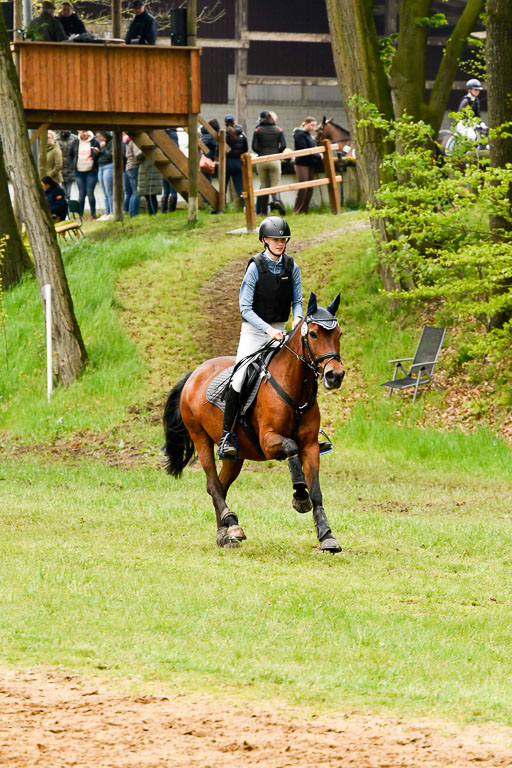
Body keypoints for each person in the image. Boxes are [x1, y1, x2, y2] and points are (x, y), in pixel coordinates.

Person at [218, 216, 303, 459]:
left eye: (283, 239)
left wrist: (297, 318)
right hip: (255, 333)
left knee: (301, 371)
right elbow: (245, 308)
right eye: (276, 239)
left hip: (281, 331)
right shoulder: (255, 267)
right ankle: (226, 436)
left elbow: (297, 300)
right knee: (239, 376)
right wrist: (268, 330)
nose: (280, 243)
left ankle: (311, 430)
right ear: (265, 240)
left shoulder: (291, 266)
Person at [252, 110, 286, 216]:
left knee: (264, 186)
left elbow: (254, 146)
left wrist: (261, 152)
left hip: (261, 160)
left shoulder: (258, 130)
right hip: (275, 160)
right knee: (275, 185)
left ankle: (263, 211)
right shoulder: (279, 130)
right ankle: (276, 201)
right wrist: (277, 153)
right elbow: (284, 145)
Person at [293, 116, 321, 214]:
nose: (313, 128)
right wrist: (318, 156)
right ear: (306, 123)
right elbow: (304, 150)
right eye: (311, 125)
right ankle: (298, 210)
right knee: (303, 187)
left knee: (309, 188)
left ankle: (305, 209)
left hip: (310, 163)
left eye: (314, 126)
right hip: (302, 163)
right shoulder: (300, 134)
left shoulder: (308, 135)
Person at [73, 129, 100, 219]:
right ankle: (81, 215)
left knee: (90, 192)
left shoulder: (95, 142)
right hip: (79, 171)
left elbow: (98, 156)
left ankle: (93, 214)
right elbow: (70, 155)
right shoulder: (75, 142)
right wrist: (72, 166)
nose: (85, 133)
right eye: (82, 131)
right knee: (81, 194)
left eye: (86, 131)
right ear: (78, 132)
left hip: (91, 170)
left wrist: (96, 153)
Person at [224, 114, 248, 205]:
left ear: (225, 123)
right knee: (240, 187)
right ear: (234, 122)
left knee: (223, 187)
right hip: (238, 162)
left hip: (226, 162)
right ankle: (245, 206)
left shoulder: (224, 134)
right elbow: (245, 149)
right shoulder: (242, 134)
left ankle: (221, 207)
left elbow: (218, 149)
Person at [96, 130, 113, 220]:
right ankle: (107, 212)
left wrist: (103, 149)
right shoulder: (103, 144)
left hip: (109, 166)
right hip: (101, 166)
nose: (100, 139)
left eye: (101, 137)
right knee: (104, 191)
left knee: (109, 190)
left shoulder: (112, 142)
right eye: (99, 137)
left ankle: (112, 212)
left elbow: (111, 155)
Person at [160, 128, 179, 212]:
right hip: (173, 164)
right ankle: (172, 210)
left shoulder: (162, 133)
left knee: (166, 191)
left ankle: (163, 210)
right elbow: (175, 150)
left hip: (164, 164)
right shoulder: (173, 134)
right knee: (173, 191)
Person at [56, 130, 78, 199]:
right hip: (60, 167)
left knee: (68, 190)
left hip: (70, 167)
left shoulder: (74, 138)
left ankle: (67, 202)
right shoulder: (56, 139)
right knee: (62, 188)